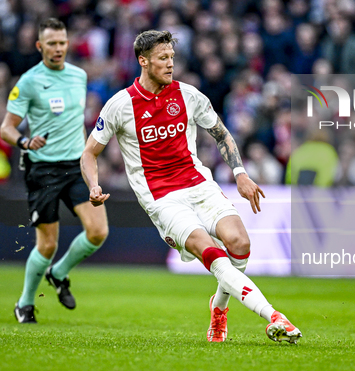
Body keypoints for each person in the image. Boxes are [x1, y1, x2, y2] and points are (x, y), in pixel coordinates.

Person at [80, 30, 302, 343]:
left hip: (199, 184)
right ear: (143, 61)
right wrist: (93, 183)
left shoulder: (189, 95)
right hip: (162, 198)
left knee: (240, 243)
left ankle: (219, 307)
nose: (170, 64)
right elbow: (90, 152)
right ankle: (273, 315)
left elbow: (221, 133)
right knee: (210, 252)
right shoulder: (120, 105)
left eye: (172, 57)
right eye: (162, 59)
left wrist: (239, 172)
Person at [0, 18, 109, 324]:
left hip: (75, 165)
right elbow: (6, 128)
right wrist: (24, 140)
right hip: (43, 170)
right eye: (52, 43)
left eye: (62, 42)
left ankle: (58, 273)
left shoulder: (79, 76)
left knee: (98, 231)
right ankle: (24, 303)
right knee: (47, 245)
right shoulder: (29, 81)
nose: (58, 48)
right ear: (40, 46)